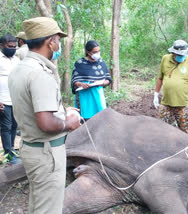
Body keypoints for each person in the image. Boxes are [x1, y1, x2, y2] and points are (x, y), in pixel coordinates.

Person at [8, 17, 80, 214]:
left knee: (39, 203)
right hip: (47, 154)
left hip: (32, 148)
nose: (59, 44)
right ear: (51, 41)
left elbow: (32, 107)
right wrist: (69, 122)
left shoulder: (20, 69)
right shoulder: (40, 74)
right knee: (48, 208)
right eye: (58, 39)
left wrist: (63, 112)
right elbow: (46, 123)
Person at [71, 40, 112, 120]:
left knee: (100, 119)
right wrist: (81, 84)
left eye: (99, 51)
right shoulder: (79, 63)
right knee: (85, 120)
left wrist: (101, 83)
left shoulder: (101, 63)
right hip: (84, 96)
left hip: (98, 95)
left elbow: (108, 79)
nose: (98, 53)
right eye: (95, 52)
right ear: (88, 52)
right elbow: (74, 81)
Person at [0, 34, 20, 164]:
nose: (12, 49)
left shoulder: (17, 60)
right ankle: (8, 153)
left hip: (16, 99)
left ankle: (12, 149)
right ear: (1, 46)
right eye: (9, 46)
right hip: (3, 99)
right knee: (6, 126)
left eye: (14, 46)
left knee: (14, 125)